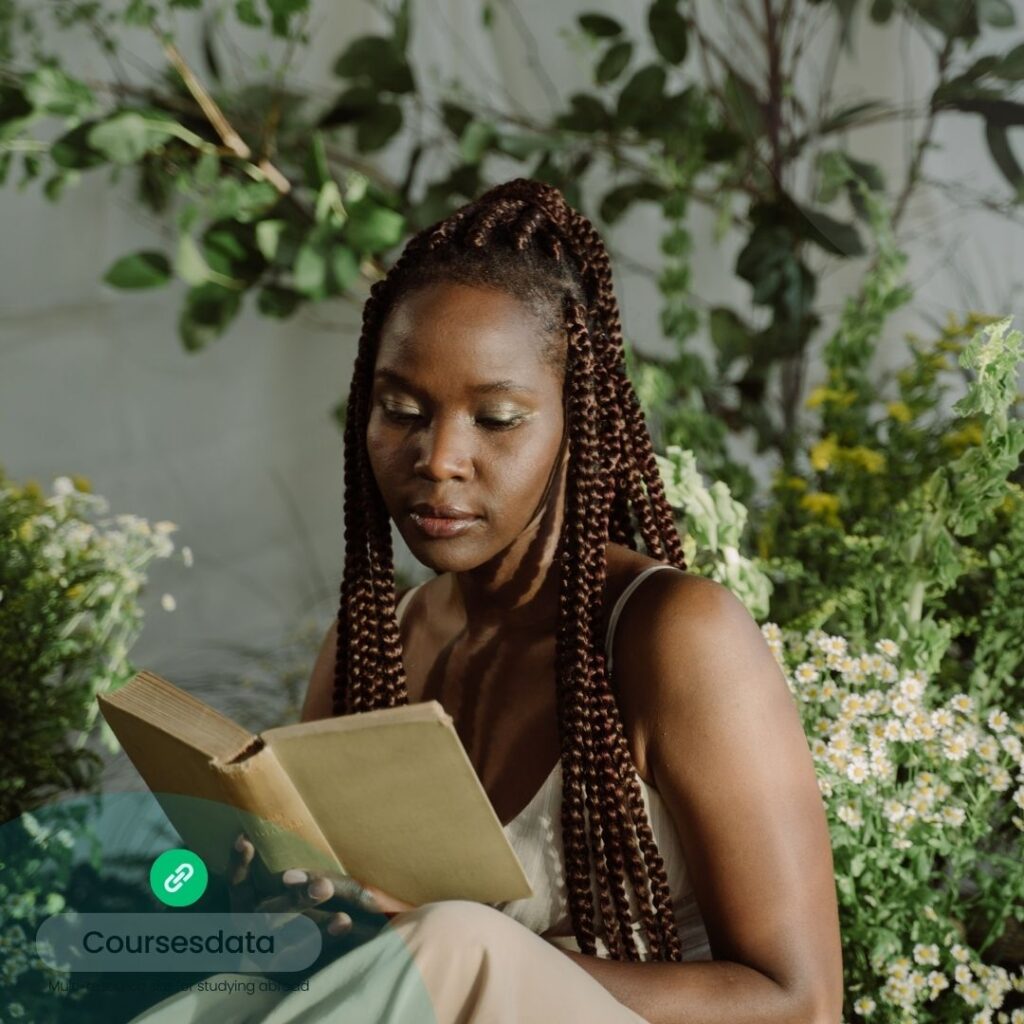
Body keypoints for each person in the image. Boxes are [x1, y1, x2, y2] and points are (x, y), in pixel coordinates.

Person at [134, 178, 843, 1023]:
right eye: (400, 410)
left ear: (577, 426)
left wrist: (457, 952)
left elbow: (801, 1004)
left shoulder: (674, 635)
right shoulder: (378, 647)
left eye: (498, 419)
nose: (438, 458)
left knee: (454, 945)